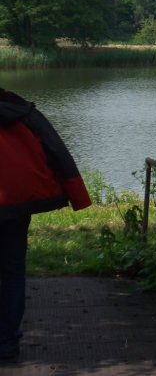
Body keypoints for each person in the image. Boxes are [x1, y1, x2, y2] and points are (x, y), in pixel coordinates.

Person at [0, 88, 91, 360]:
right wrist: (76, 194)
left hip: (14, 203)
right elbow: (56, 150)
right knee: (12, 273)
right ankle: (6, 345)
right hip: (17, 204)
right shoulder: (20, 109)